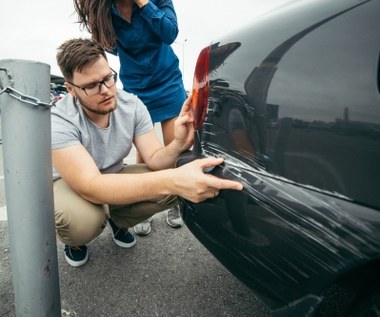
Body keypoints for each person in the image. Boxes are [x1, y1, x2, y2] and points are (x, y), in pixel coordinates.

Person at [52, 38, 243, 267]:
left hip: (112, 176)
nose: (106, 91)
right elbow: (90, 186)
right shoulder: (59, 119)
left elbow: (154, 160)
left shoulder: (131, 104)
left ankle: (117, 221)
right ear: (71, 89)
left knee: (175, 181)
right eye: (92, 85)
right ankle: (75, 242)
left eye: (108, 78)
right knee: (82, 222)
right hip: (72, 185)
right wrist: (172, 181)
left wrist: (178, 144)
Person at [73, 0, 187, 234]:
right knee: (145, 153)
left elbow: (170, 33)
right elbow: (110, 46)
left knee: (176, 146)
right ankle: (141, 207)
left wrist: (144, 4)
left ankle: (178, 202)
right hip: (136, 85)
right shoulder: (106, 12)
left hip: (168, 81)